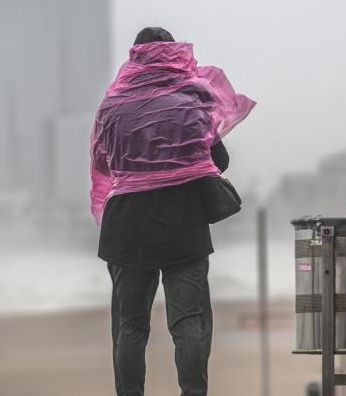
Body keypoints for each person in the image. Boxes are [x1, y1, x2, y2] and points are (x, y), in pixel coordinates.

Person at [90, 27, 255, 396]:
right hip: (182, 220)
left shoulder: (112, 105)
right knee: (188, 322)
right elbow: (219, 160)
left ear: (136, 56)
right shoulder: (192, 100)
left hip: (126, 223)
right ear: (174, 53)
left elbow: (103, 163)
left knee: (131, 327)